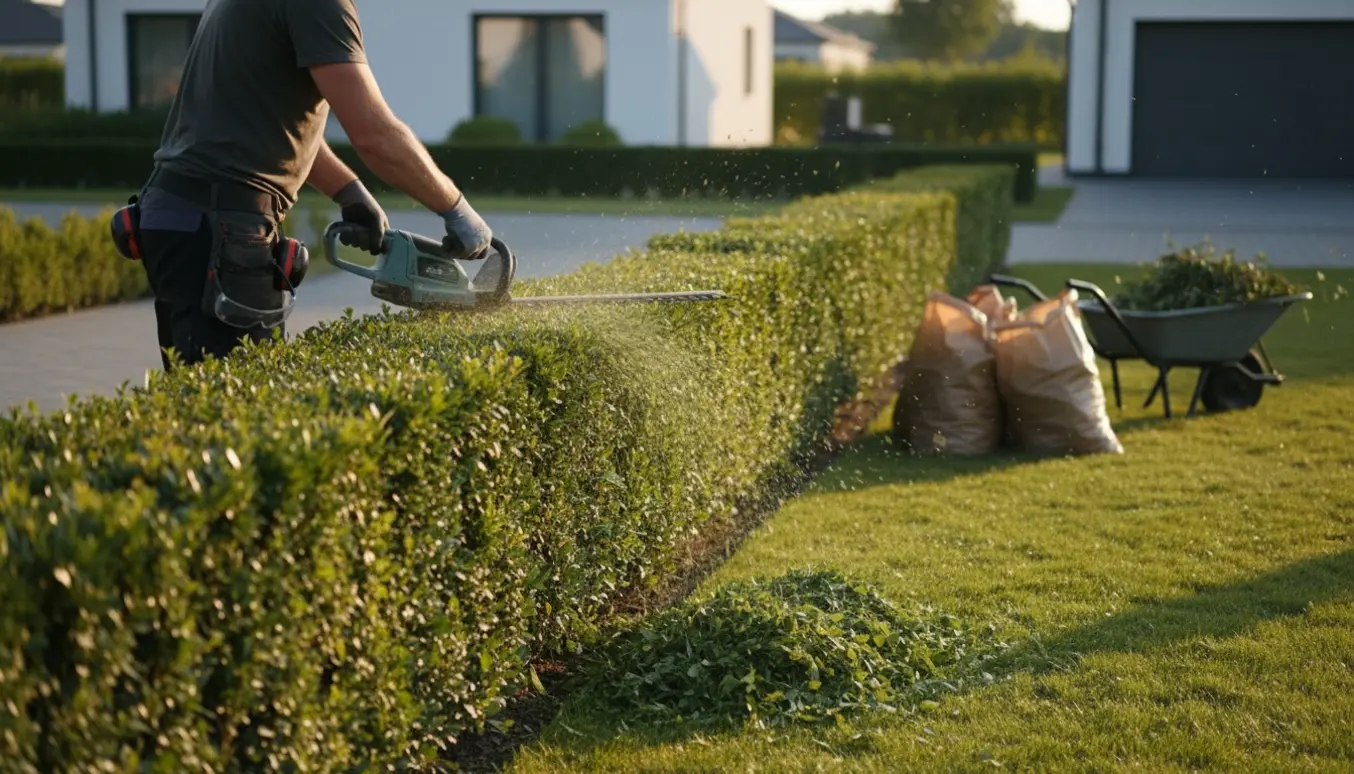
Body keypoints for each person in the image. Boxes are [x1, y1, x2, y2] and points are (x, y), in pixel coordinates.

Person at [131, 0, 493, 371]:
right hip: (218, 220)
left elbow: (273, 119)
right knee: (235, 402)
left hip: (182, 212)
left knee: (203, 390)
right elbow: (375, 134)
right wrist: (457, 210)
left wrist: (349, 190)